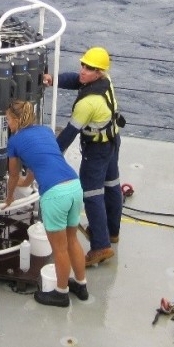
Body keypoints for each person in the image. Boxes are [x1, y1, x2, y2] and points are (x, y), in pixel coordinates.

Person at [43, 46, 124, 267]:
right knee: (112, 185)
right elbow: (75, 79)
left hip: (96, 151)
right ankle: (113, 231)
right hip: (112, 142)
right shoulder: (103, 83)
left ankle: (100, 246)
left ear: (98, 72)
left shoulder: (87, 103)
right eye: (83, 64)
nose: (83, 70)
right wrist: (53, 79)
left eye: (89, 68)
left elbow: (69, 133)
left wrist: (51, 157)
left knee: (92, 194)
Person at [4, 100, 89, 307]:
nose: (7, 124)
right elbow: (40, 160)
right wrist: (28, 182)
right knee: (72, 241)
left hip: (55, 194)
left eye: (8, 120)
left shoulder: (14, 141)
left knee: (58, 249)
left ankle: (60, 293)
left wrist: (9, 198)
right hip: (74, 186)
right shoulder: (45, 131)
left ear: (16, 120)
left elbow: (13, 176)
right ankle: (81, 284)